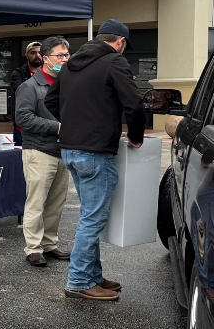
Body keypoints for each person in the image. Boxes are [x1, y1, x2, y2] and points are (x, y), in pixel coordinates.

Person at [45, 20, 146, 301]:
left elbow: (51, 101)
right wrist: (136, 136)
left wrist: (74, 124)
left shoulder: (70, 64)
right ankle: (78, 282)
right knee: (92, 219)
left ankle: (93, 276)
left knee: (90, 214)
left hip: (70, 149)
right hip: (95, 152)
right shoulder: (114, 62)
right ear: (121, 42)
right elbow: (134, 103)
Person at [14, 36, 71, 268]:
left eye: (67, 55)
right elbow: (23, 118)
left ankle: (49, 244)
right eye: (60, 56)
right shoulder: (29, 87)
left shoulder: (68, 84)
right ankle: (34, 248)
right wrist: (56, 127)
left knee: (56, 203)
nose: (65, 59)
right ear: (46, 59)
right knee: (36, 203)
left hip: (63, 151)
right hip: (38, 151)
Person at [11, 42, 42, 147]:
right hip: (23, 126)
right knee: (23, 158)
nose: (37, 55)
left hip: (44, 123)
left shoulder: (50, 73)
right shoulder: (18, 73)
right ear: (27, 55)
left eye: (40, 52)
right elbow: (21, 93)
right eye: (33, 53)